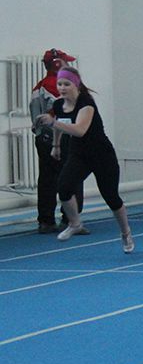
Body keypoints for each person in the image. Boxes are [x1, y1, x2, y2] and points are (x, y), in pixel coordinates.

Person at [35, 66, 134, 253]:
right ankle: (75, 223)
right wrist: (56, 146)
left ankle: (125, 232)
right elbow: (60, 125)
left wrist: (53, 122)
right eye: (59, 84)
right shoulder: (59, 105)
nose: (62, 88)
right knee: (64, 187)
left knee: (111, 197)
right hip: (79, 154)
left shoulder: (86, 103)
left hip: (101, 154)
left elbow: (80, 130)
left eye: (66, 84)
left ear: (76, 85)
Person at [29, 48, 85, 233]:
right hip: (62, 138)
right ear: (58, 64)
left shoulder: (39, 87)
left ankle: (46, 220)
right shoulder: (60, 86)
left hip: (42, 137)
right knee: (72, 176)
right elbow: (64, 113)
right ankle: (71, 219)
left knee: (47, 179)